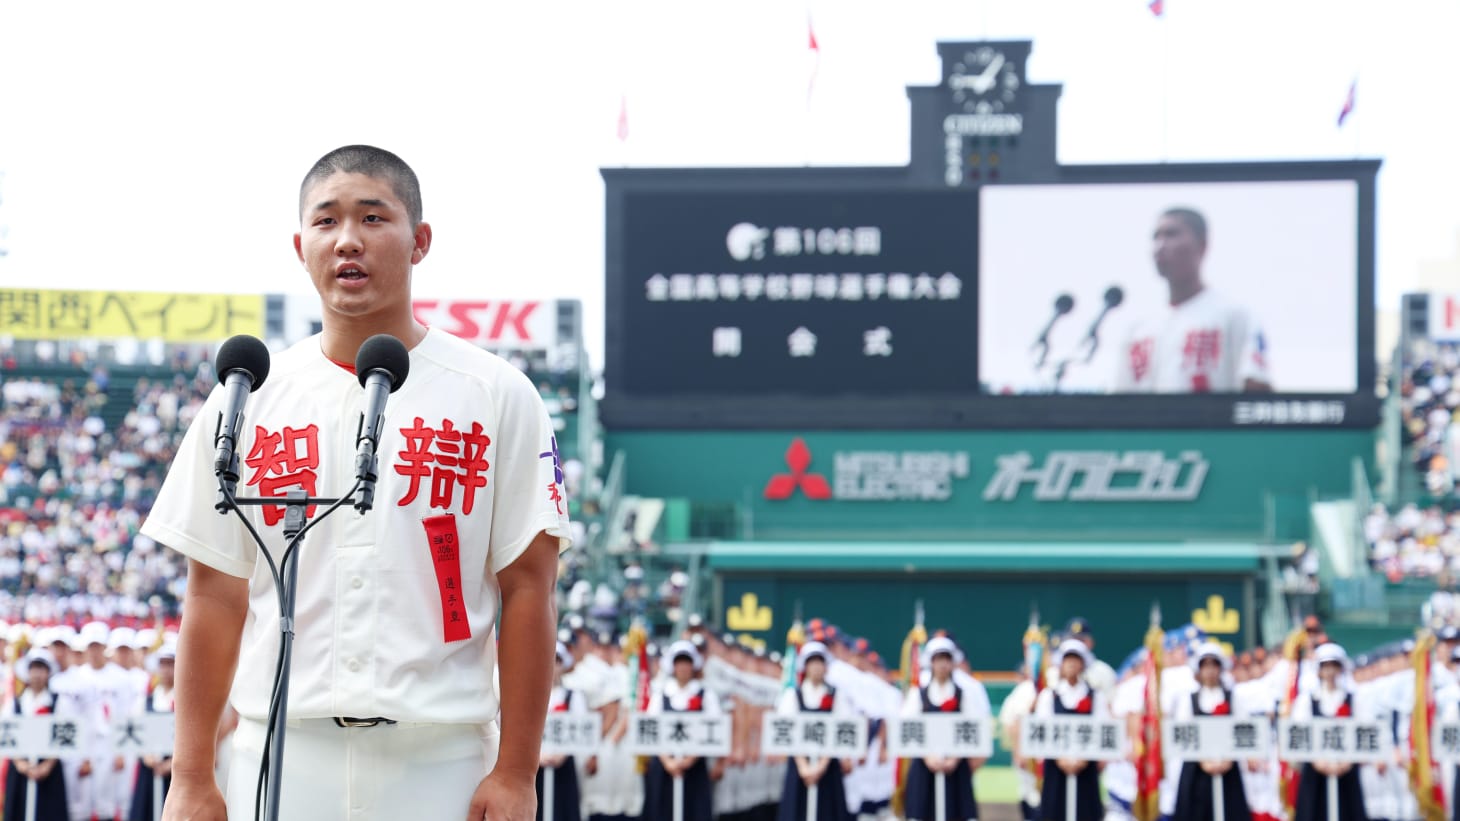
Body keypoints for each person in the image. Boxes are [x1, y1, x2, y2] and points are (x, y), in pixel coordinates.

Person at [140, 145, 571, 821]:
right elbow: (215, 592)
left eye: (374, 218)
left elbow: (529, 588)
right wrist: (192, 774)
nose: (348, 240)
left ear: (419, 240)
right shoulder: (245, 397)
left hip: (441, 759)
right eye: (327, 221)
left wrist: (516, 768)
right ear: (299, 244)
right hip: (281, 750)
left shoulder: (494, 393)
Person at [1112, 207, 1274, 394]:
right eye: (1156, 237)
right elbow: (1119, 401)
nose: (1160, 245)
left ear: (1202, 245)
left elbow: (1256, 387)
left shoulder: (1234, 315)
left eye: (1171, 235)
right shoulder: (1138, 328)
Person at [900, 636, 984, 821]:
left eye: (947, 659)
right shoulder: (918, 694)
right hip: (924, 767)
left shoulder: (964, 694)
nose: (943, 665)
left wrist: (954, 758)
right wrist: (928, 756)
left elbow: (973, 728)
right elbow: (907, 727)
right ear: (931, 662)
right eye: (938, 659)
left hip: (955, 769)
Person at [1171, 642, 1252, 821]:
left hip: (1227, 768)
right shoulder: (1189, 699)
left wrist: (1228, 760)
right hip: (1197, 770)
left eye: (1214, 665)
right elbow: (1183, 733)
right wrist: (1204, 761)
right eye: (1205, 665)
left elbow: (1244, 730)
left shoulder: (1232, 697)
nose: (1210, 671)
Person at [644, 640, 722, 821]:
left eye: (687, 662)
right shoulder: (661, 694)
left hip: (694, 767)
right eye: (679, 662)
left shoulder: (705, 695)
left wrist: (688, 760)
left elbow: (714, 729)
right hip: (665, 767)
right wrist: (668, 761)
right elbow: (651, 729)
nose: (683, 667)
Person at [775, 641, 852, 821]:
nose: (816, 667)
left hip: (827, 768)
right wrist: (804, 767)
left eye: (820, 662)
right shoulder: (793, 695)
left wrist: (821, 766)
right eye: (812, 662)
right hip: (800, 766)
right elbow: (786, 729)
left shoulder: (836, 695)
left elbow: (842, 729)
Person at [1291, 643, 1367, 821]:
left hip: (1345, 772)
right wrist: (1317, 761)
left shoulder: (1352, 698)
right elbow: (1298, 734)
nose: (1330, 672)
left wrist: (1348, 761)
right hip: (1315, 772)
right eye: (1325, 667)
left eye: (1334, 666)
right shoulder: (1308, 700)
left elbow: (1363, 731)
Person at [1034, 639, 1105, 821]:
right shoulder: (1049, 696)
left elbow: (1102, 729)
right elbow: (1042, 729)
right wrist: (1061, 759)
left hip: (1085, 768)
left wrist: (1082, 759)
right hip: (1056, 768)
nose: (1072, 664)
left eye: (1076, 659)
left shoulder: (1095, 696)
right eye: (1068, 659)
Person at [3, 649, 69, 821]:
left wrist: (47, 765)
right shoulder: (17, 702)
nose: (37, 674)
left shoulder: (57, 702)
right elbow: (6, 732)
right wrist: (20, 764)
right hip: (21, 769)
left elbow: (63, 736)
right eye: (34, 668)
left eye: (42, 669)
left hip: (48, 769)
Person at [537, 642, 587, 821]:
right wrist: (538, 756)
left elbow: (580, 728)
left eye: (556, 661)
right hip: (535, 766)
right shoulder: (529, 695)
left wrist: (562, 754)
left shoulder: (574, 696)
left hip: (563, 765)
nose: (552, 666)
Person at [130, 639, 177, 821]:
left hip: (175, 769)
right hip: (149, 768)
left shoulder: (183, 701)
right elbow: (134, 729)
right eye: (163, 664)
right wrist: (146, 756)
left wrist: (172, 762)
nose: (166, 670)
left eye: (171, 664)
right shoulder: (146, 699)